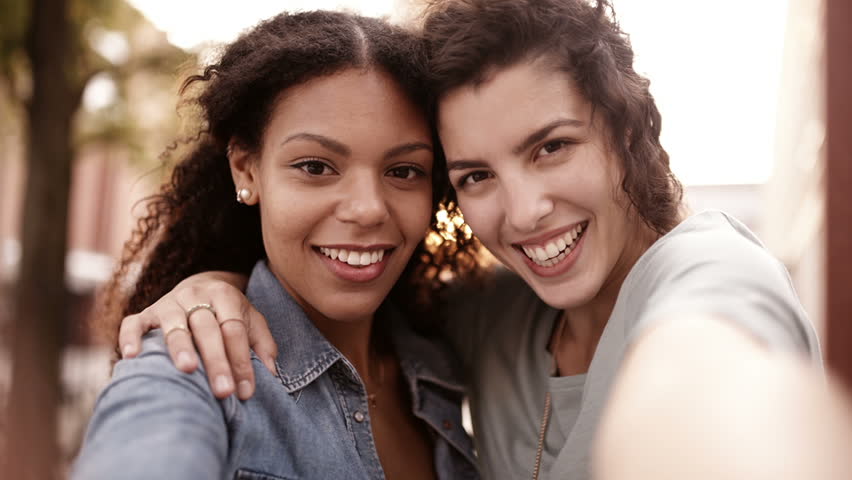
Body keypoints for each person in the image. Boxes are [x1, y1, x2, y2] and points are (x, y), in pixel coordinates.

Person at [118, 1, 850, 479]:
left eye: (551, 147)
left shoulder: (710, 274)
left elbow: (710, 388)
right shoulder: (491, 314)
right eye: (474, 175)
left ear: (626, 134)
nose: (525, 212)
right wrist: (218, 282)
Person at [72, 10, 481, 480]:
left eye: (404, 170)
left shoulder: (441, 355)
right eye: (315, 166)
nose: (369, 209)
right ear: (246, 170)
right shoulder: (186, 367)